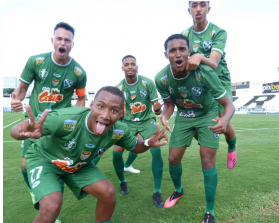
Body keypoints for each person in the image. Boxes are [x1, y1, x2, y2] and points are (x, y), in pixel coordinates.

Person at [10, 86, 168, 223]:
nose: (106, 115)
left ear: (121, 114)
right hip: (45, 159)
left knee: (108, 193)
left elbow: (135, 146)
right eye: (101, 106)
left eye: (114, 110)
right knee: (52, 206)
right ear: (92, 105)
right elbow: (15, 132)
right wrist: (23, 131)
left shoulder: (119, 130)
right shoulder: (63, 118)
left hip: (77, 164)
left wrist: (148, 142)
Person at [10, 22, 99, 219]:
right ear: (52, 41)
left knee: (56, 163)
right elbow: (22, 89)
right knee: (26, 165)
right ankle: (37, 192)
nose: (63, 42)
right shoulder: (36, 61)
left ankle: (51, 208)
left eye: (67, 40)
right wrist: (16, 99)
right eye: (59, 38)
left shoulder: (79, 72)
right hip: (34, 123)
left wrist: (78, 117)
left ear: (72, 44)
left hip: (60, 126)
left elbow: (82, 98)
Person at [155, 34, 235, 223]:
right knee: (173, 157)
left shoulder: (205, 72)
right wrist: (165, 116)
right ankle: (178, 191)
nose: (178, 54)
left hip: (207, 113)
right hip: (184, 116)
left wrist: (225, 120)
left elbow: (228, 104)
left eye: (182, 49)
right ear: (166, 55)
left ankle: (209, 211)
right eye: (172, 50)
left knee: (207, 160)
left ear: (189, 52)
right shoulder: (162, 78)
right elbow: (168, 104)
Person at [182, 1, 237, 169]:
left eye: (203, 5)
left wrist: (199, 56)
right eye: (195, 5)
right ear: (189, 10)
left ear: (208, 8)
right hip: (199, 81)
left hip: (219, 78)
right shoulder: (184, 35)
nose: (198, 9)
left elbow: (213, 63)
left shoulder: (218, 32)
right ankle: (206, 140)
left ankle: (232, 147)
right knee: (199, 119)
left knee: (222, 115)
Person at [113, 55, 165, 207]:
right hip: (127, 122)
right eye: (127, 64)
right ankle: (122, 182)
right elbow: (120, 112)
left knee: (156, 150)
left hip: (146, 120)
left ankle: (157, 191)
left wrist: (159, 111)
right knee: (116, 153)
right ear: (122, 68)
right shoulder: (119, 88)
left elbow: (156, 106)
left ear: (137, 67)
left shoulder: (147, 82)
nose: (130, 67)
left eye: (133, 64)